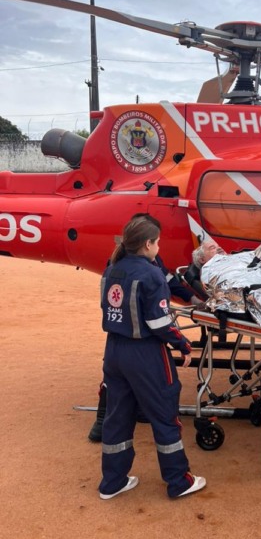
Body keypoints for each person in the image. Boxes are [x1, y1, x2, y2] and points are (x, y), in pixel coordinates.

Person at [98, 214, 206, 499]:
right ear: (148, 244)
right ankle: (179, 481)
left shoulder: (111, 269)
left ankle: (112, 482)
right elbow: (159, 323)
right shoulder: (151, 273)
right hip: (145, 353)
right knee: (164, 415)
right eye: (157, 242)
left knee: (117, 417)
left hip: (114, 351)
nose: (159, 247)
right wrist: (183, 344)